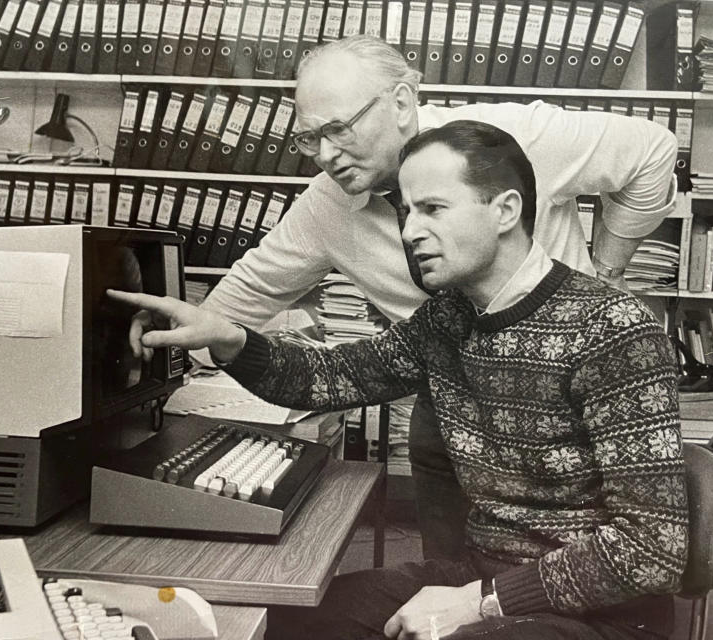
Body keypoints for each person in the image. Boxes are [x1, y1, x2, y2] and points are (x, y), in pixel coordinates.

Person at [109, 120, 688, 640]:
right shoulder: (449, 317)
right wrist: (230, 337)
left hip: (606, 615)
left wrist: (480, 603)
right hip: (487, 578)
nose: (410, 230)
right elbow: (331, 377)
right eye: (406, 212)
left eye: (433, 208)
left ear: (505, 210)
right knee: (289, 623)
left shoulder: (612, 329)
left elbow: (651, 550)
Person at [135, 34, 680, 562]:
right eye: (308, 139)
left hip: (567, 387)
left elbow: (653, 151)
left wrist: (604, 278)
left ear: (401, 102)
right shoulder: (339, 215)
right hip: (448, 392)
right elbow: (271, 322)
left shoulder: (507, 140)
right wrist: (174, 340)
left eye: (339, 128)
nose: (325, 154)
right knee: (450, 574)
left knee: (553, 563)